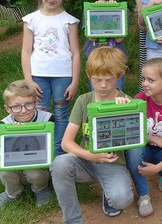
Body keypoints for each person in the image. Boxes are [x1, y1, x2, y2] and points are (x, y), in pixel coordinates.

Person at [50, 47, 133, 223]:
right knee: (59, 163)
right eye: (97, 80)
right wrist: (90, 155)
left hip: (112, 162)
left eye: (109, 80)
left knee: (122, 200)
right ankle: (73, 219)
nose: (103, 85)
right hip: (85, 159)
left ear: (118, 76)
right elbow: (66, 143)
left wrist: (125, 111)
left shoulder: (126, 101)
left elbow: (136, 140)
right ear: (89, 77)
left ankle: (108, 191)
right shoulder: (84, 100)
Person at [21, 0, 80, 156]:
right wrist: (28, 79)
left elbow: (76, 52)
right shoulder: (31, 20)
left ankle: (58, 152)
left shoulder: (69, 21)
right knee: (40, 112)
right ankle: (41, 153)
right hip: (38, 75)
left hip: (63, 75)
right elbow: (25, 51)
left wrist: (75, 81)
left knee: (62, 113)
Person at [124, 58, 162, 217]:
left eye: (151, 80)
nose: (145, 83)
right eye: (144, 78)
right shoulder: (139, 99)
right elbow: (130, 133)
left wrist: (157, 169)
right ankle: (143, 195)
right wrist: (154, 139)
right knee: (133, 148)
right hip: (143, 147)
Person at [0, 80, 55, 210]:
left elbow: (49, 147)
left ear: (36, 103)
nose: (23, 110)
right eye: (16, 106)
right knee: (4, 170)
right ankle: (13, 193)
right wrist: (14, 135)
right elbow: (5, 153)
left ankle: (40, 189)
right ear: (8, 108)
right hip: (15, 164)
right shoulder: (4, 125)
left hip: (38, 164)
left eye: (28, 104)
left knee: (34, 173)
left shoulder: (47, 119)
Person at [83, 0, 127, 91]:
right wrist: (98, 12)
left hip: (116, 59)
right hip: (95, 58)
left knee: (116, 92)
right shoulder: (89, 10)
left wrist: (114, 11)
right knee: (96, 92)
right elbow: (92, 36)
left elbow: (119, 38)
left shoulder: (123, 9)